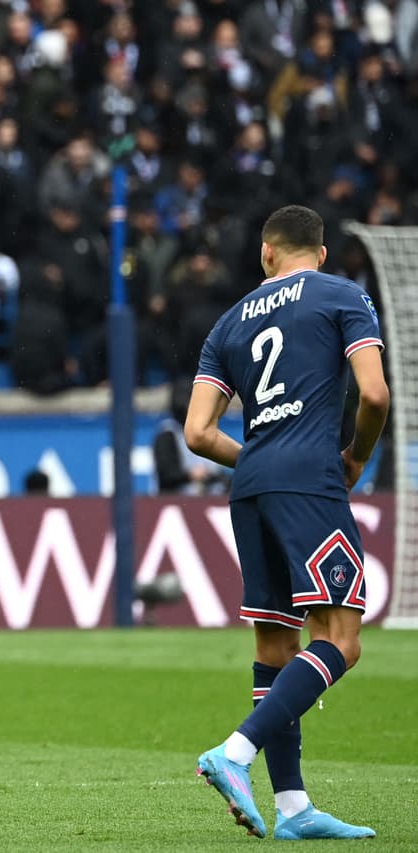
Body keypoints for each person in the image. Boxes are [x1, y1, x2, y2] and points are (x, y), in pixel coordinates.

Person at [185, 205, 387, 840]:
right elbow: (375, 394)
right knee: (342, 639)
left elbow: (197, 432)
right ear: (320, 253)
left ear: (266, 254)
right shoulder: (340, 294)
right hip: (311, 482)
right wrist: (355, 456)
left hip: (252, 488)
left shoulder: (228, 321)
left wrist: (258, 461)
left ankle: (294, 808)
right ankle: (235, 754)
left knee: (275, 648)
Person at [153, 377, 229, 495]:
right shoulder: (167, 435)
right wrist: (191, 476)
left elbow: (220, 476)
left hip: (210, 499)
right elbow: (167, 476)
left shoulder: (211, 432)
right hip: (176, 502)